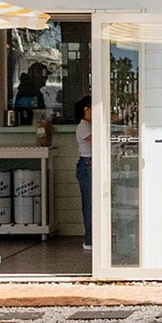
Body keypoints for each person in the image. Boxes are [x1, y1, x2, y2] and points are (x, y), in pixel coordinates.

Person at [74, 95, 93, 252]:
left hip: (90, 165)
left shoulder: (91, 125)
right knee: (89, 204)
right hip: (87, 165)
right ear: (86, 110)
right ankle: (89, 239)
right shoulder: (83, 127)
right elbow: (99, 139)